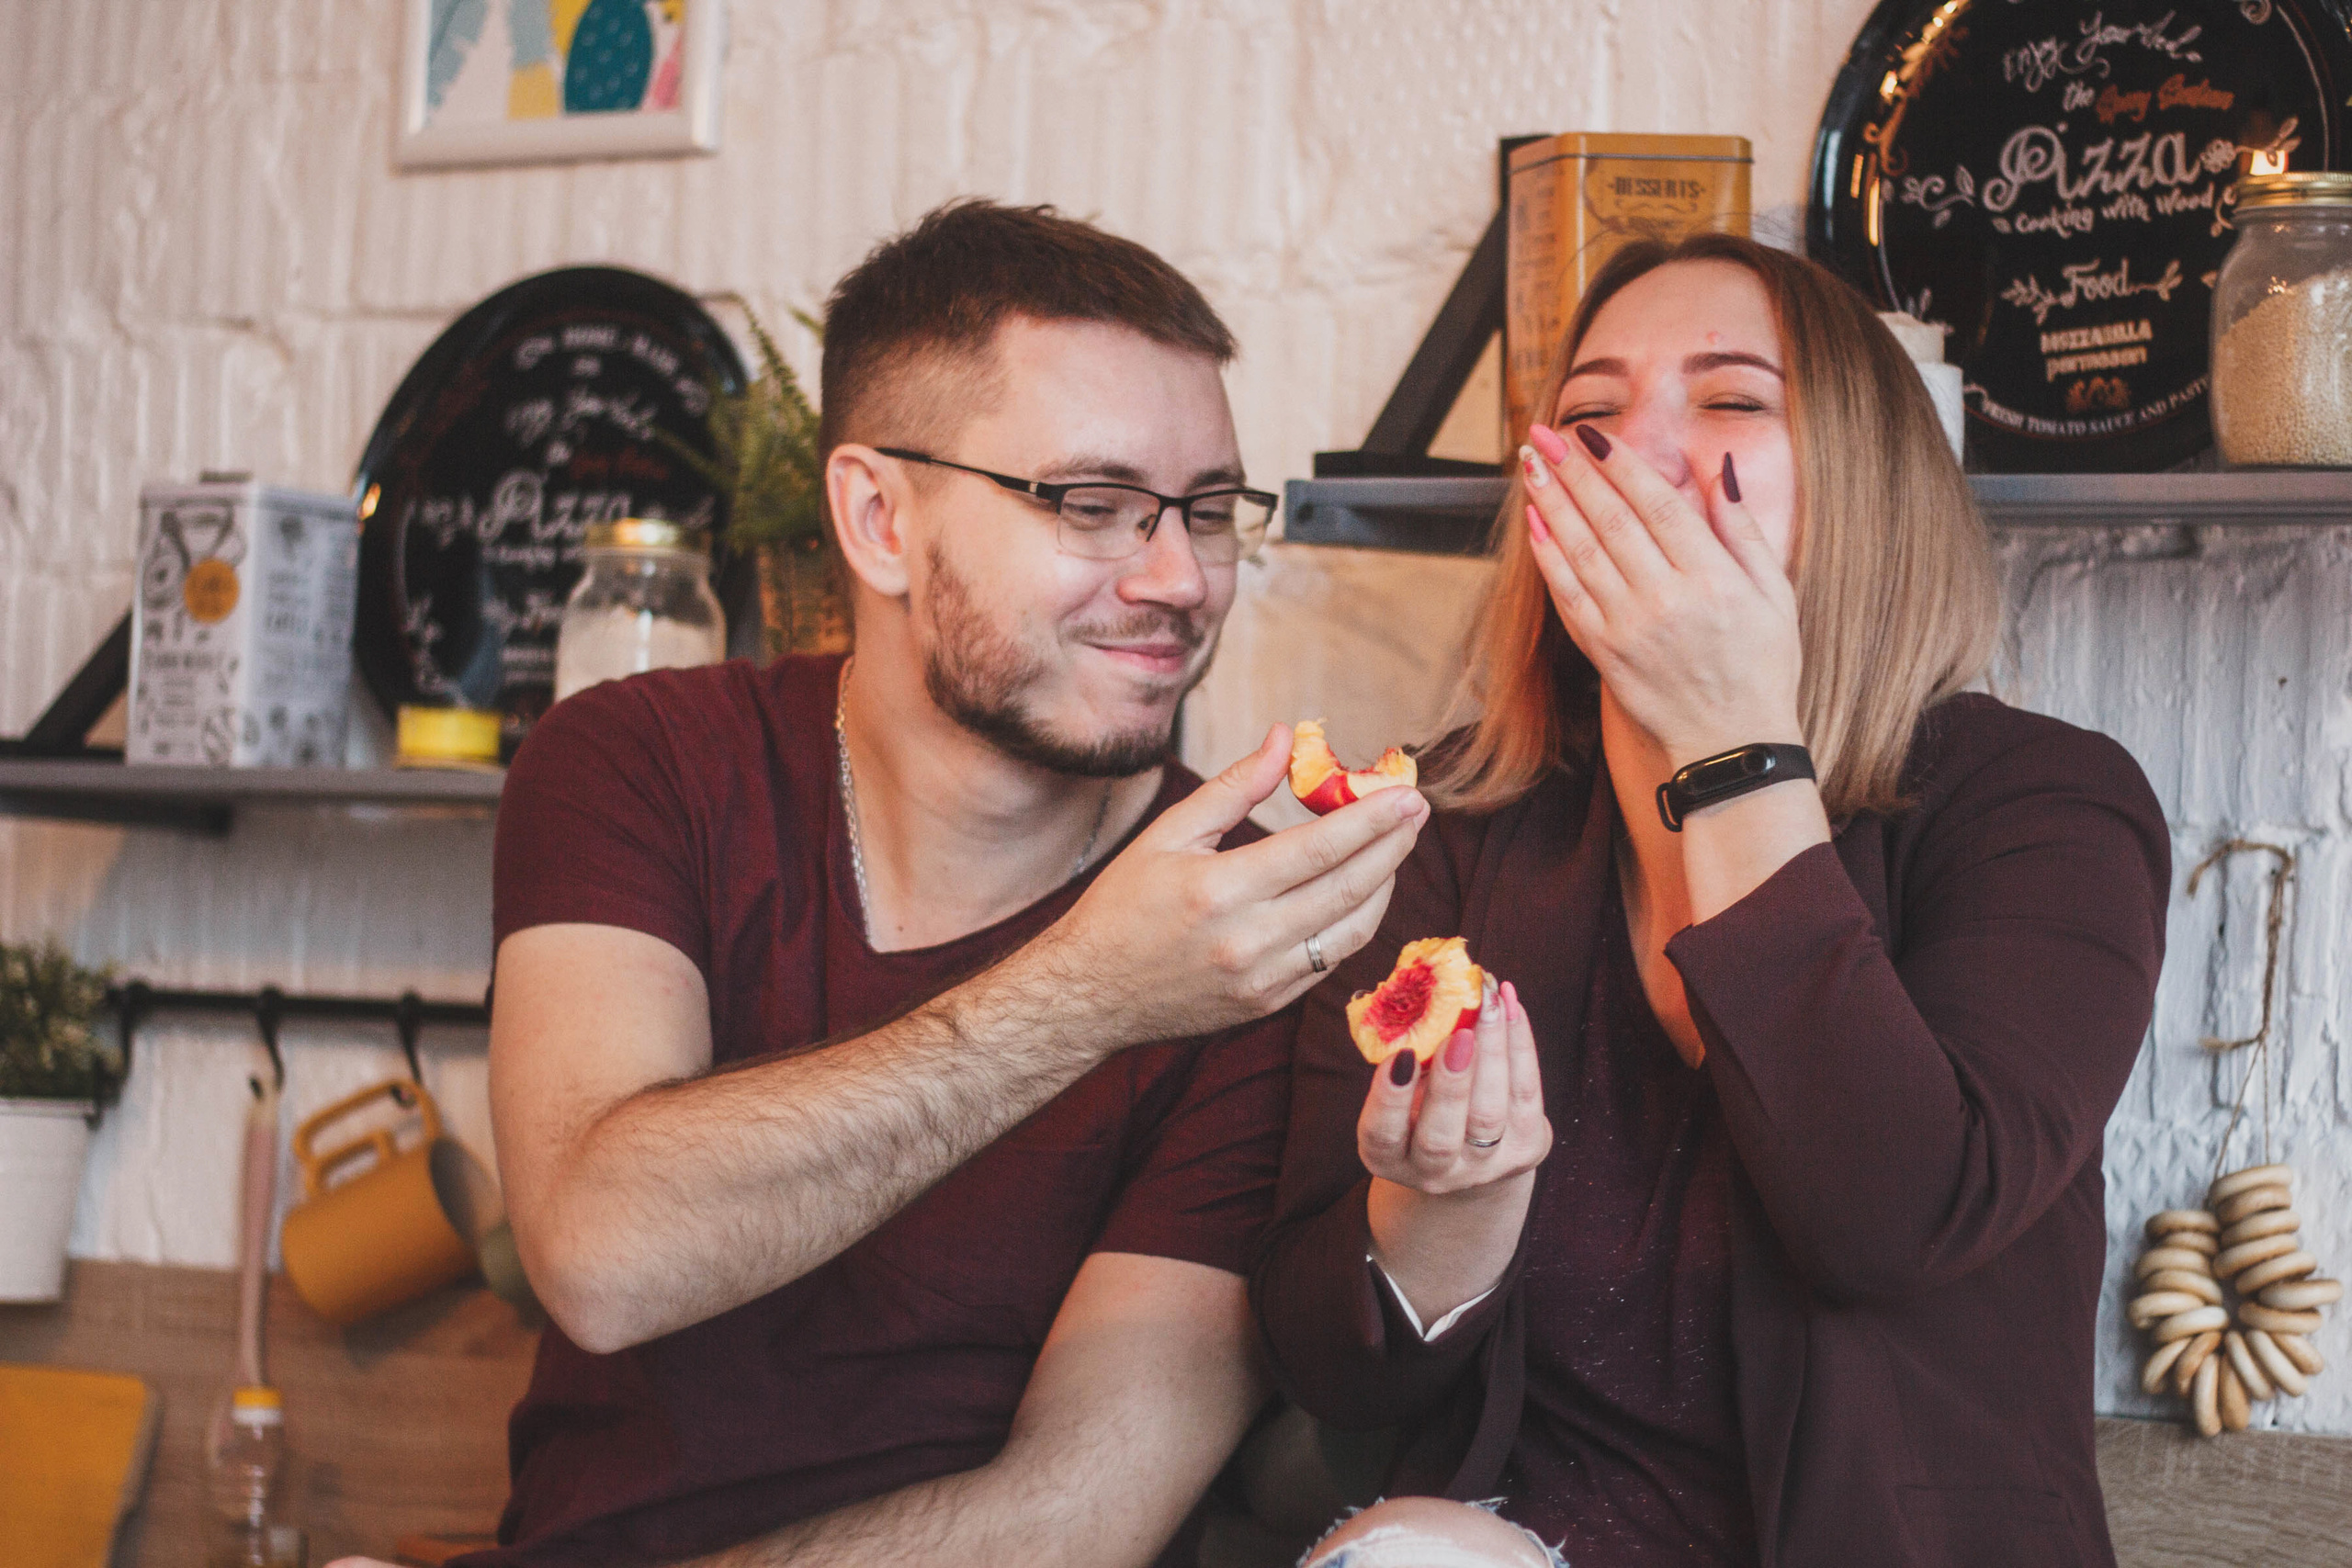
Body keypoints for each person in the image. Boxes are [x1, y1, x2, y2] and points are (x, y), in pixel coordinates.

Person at [449, 201, 1430, 1568]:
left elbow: (1079, 1516)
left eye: (1209, 511)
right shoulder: (641, 762)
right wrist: (1086, 995)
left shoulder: (1248, 939)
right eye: (1093, 506)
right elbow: (602, 1257)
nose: (1180, 578)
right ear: (878, 518)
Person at [1250, 233, 2169, 1568]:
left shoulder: (2043, 807)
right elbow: (1333, 1368)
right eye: (1590, 416)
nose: (1638, 451)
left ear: (1865, 479)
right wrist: (1442, 1209)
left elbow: (1893, 1217)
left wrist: (1730, 744)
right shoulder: (1449, 826)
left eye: (1732, 399)